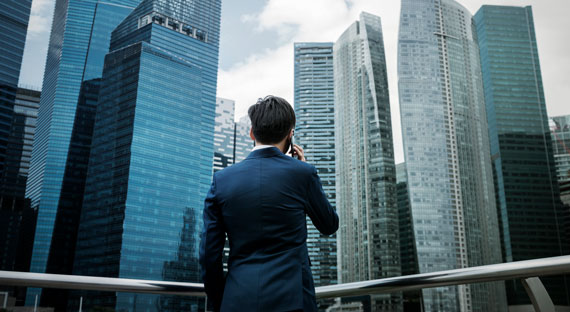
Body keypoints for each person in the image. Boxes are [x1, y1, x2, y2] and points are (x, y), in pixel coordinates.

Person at [199, 96, 339, 312]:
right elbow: (329, 225)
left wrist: (221, 299)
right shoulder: (303, 174)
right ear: (290, 134)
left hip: (237, 300)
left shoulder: (222, 180)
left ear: (252, 133)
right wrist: (303, 170)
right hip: (294, 302)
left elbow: (209, 254)